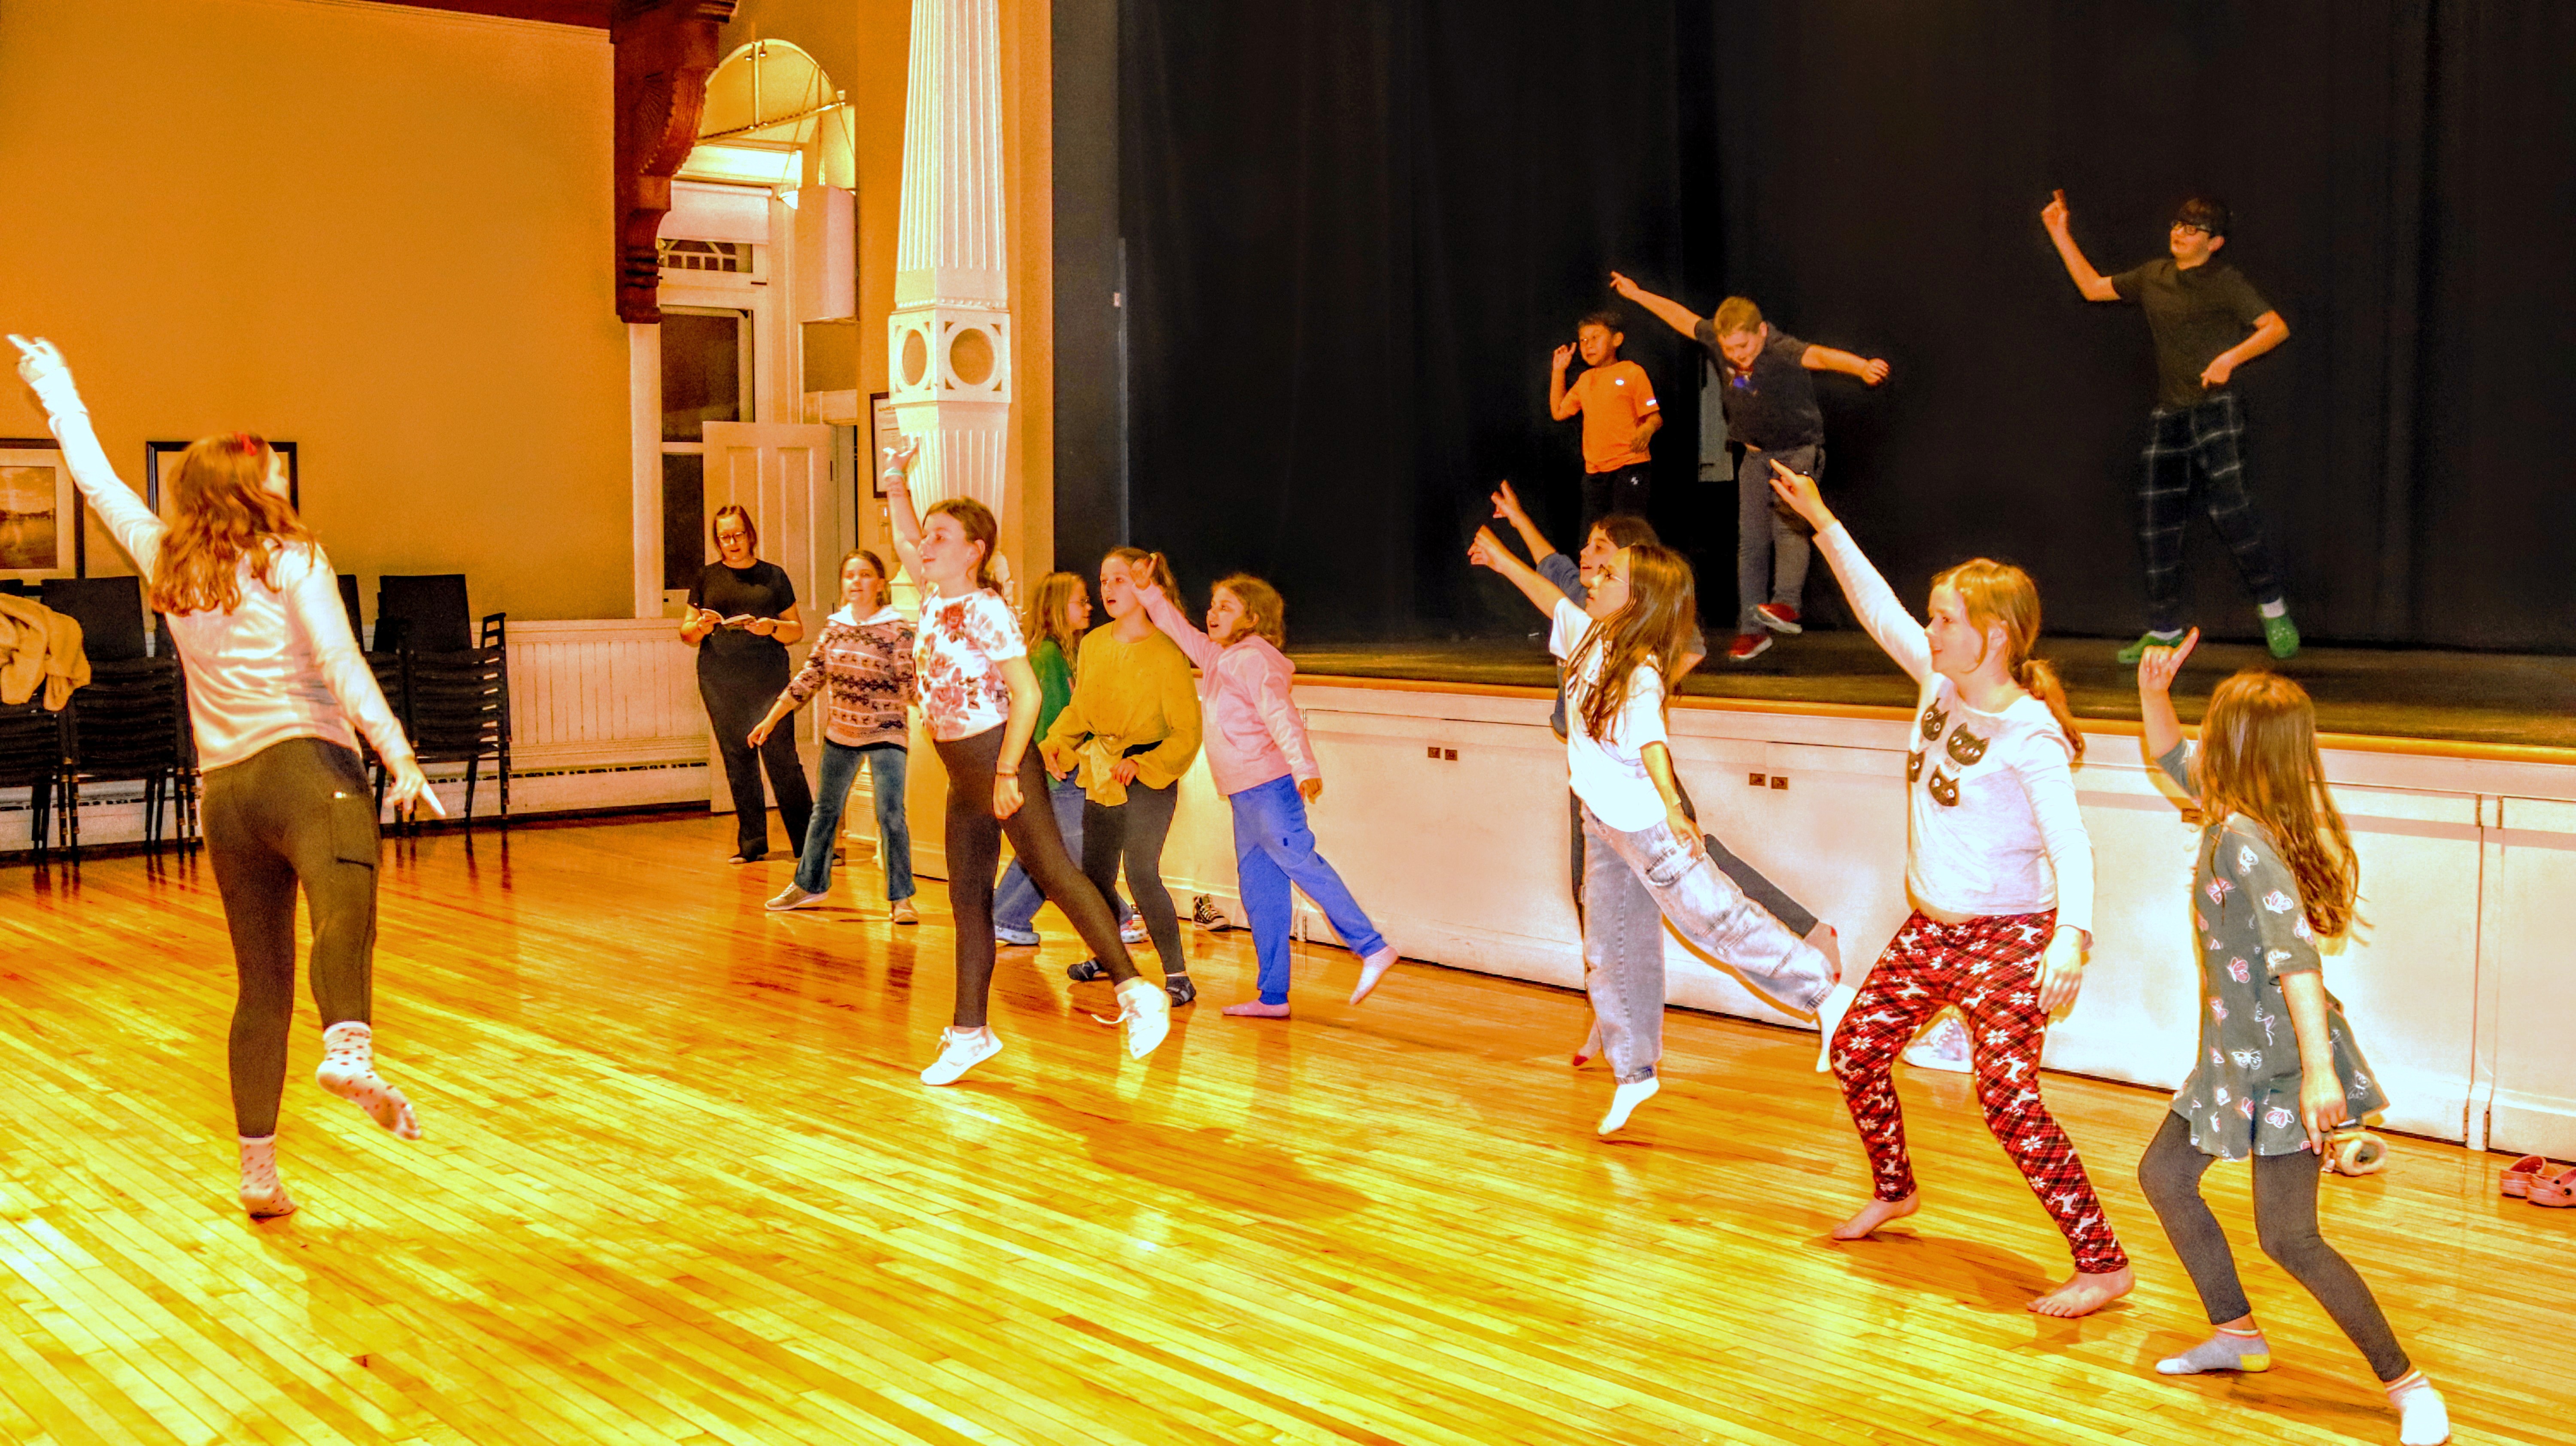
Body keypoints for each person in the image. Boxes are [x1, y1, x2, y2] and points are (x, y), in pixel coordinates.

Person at [12, 335, 439, 1219]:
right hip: (304, 765)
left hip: (226, 795)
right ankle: (350, 1047)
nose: (284, 481)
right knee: (346, 890)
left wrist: (58, 392)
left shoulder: (167, 560)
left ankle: (258, 1174)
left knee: (261, 985)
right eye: (276, 471)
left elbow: (99, 483)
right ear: (250, 487)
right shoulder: (292, 557)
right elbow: (338, 660)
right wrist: (397, 753)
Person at [1769, 459, 2132, 1317]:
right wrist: (1823, 520)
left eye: (1945, 620)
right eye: (1933, 619)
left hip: (2010, 936)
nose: (1930, 631)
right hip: (1932, 930)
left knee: (2007, 1099)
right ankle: (1895, 1190)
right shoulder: (1938, 686)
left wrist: (2073, 935)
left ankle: (2104, 1261)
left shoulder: (2027, 731)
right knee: (1857, 1049)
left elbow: (2071, 841)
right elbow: (1877, 609)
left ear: (1994, 635)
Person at [2134, 634, 2448, 1445]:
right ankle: (2236, 1332)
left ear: (2237, 744)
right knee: (2167, 1175)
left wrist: (2316, 1076)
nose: (2197, 738)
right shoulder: (2235, 811)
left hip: (2277, 1067)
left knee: (2290, 1237)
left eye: (2211, 726)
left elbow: (2296, 959)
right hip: (2232, 1061)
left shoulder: (2245, 840)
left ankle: (2407, 1386)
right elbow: (2169, 754)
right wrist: (2153, 689)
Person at [1467, 522, 1852, 1136]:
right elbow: (1550, 599)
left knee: (1715, 920)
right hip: (1601, 824)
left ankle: (1826, 995)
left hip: (1648, 827)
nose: (1593, 578)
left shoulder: (1640, 671)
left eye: (1609, 575)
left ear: (1638, 599)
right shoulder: (1590, 635)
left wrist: (1674, 804)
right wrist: (1503, 562)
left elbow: (1651, 739)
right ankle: (1634, 1073)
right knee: (1611, 948)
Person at [881, 443, 1170, 1083]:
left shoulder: (984, 609)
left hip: (995, 763)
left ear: (975, 549)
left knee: (1058, 875)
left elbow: (1029, 693)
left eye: (941, 536)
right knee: (968, 902)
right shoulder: (933, 596)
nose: (925, 545)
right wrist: (896, 478)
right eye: (927, 537)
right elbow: (901, 535)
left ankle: (1135, 991)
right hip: (964, 776)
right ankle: (969, 1032)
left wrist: (1009, 771)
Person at [2041, 191, 2299, 662]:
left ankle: (2272, 605)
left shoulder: (2225, 282)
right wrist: (2060, 232)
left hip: (2214, 406)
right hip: (2171, 412)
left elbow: (2275, 326)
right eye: (2178, 224)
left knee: (2232, 509)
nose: (2179, 233)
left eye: (2193, 228)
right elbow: (2094, 288)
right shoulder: (2154, 275)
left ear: (2215, 242)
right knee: (2156, 520)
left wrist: (2229, 358)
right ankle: (2164, 631)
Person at [1135, 565, 1399, 1015]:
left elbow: (1281, 714)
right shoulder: (1220, 656)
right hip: (1244, 795)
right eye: (1213, 603)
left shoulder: (1254, 660)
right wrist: (1149, 591)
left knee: (1302, 863)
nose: (1213, 612)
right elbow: (1177, 627)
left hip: (1270, 787)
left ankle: (1372, 946)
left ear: (1253, 618)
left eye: (1226, 606)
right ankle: (1273, 994)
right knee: (1261, 890)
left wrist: (1304, 767)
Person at [1610, 271, 1888, 663]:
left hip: (1797, 452)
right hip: (1755, 456)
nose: (1737, 355)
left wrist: (1860, 368)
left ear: (1760, 332)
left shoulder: (1779, 348)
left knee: (1788, 527)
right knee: (1751, 544)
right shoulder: (1719, 341)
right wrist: (1638, 294)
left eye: (1743, 347)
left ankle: (1787, 604)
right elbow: (1679, 316)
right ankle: (1752, 632)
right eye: (1729, 349)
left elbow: (1822, 356)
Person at [1040, 549, 1204, 1006]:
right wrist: (1059, 743)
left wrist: (1145, 764)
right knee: (1095, 874)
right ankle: (1109, 957)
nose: (1108, 589)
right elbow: (1082, 710)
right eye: (1104, 580)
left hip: (1148, 773)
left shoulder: (1168, 651)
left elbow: (1187, 730)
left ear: (1146, 587)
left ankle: (1178, 974)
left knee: (1140, 871)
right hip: (1103, 771)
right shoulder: (1094, 644)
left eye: (1120, 580)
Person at [747, 548, 919, 923]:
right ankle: (810, 884)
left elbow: (911, 687)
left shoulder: (898, 630)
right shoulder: (834, 628)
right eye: (849, 576)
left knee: (891, 814)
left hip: (888, 733)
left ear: (880, 583)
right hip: (842, 733)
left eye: (865, 575)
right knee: (824, 812)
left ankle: (901, 898)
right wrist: (772, 718)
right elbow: (808, 678)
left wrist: (945, 716)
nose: (856, 582)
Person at [991, 571, 1142, 949]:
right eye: (1081, 601)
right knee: (1080, 851)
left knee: (1045, 852)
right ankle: (1118, 916)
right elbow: (1056, 718)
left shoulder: (1066, 654)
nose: (1090, 606)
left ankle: (1005, 916)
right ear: (1059, 608)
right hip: (1060, 775)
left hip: (1064, 774)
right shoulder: (1049, 657)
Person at [678, 506, 814, 863]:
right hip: (720, 680)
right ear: (717, 541)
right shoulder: (707, 577)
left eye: (738, 534)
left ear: (751, 535)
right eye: (725, 537)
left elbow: (796, 631)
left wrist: (769, 626)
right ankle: (752, 844)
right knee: (737, 759)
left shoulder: (773, 576)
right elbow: (686, 632)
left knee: (783, 760)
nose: (732, 543)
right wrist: (702, 628)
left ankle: (811, 846)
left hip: (768, 680)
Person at [1548, 310, 1660, 527]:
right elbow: (1559, 412)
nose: (1588, 345)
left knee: (1626, 532)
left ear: (1617, 339)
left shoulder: (1632, 372)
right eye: (1583, 341)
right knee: (1594, 533)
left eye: (1595, 338)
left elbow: (1655, 418)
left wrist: (1646, 430)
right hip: (1595, 474)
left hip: (1630, 466)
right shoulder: (1585, 379)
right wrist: (1559, 371)